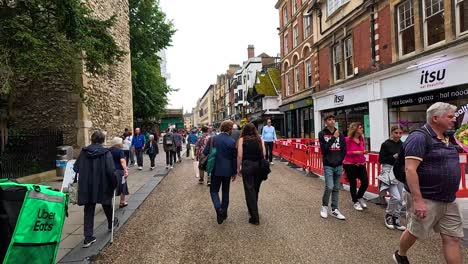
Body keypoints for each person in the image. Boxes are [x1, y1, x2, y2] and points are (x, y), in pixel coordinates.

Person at [393, 102, 463, 264]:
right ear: (435, 118)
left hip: (449, 199)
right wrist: (418, 201)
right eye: (450, 116)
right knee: (415, 231)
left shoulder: (447, 138)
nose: (454, 120)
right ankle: (401, 254)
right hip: (426, 198)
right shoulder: (419, 137)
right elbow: (410, 170)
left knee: (452, 238)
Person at [73, 131, 118, 248]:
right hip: (102, 184)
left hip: (86, 185)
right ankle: (111, 224)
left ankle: (88, 237)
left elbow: (75, 167)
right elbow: (110, 171)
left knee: (88, 209)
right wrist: (114, 183)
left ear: (92, 139)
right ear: (103, 140)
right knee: (106, 203)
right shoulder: (106, 153)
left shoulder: (83, 152)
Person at [203, 120, 237, 224]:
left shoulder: (213, 139)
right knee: (225, 192)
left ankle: (219, 209)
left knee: (214, 191)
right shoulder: (231, 141)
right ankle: (224, 213)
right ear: (230, 129)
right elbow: (234, 158)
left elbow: (205, 152)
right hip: (227, 171)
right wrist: (234, 172)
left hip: (215, 169)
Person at [318, 114, 347, 220]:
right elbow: (324, 149)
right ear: (326, 122)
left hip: (338, 164)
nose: (332, 121)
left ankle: (334, 209)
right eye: (329, 119)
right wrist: (334, 137)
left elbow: (344, 148)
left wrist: (340, 160)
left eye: (333, 119)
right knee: (329, 186)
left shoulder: (340, 133)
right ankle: (324, 206)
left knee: (336, 188)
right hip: (328, 164)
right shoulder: (322, 133)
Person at [237, 123, 266, 225]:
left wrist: (238, 168)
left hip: (247, 165)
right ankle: (253, 209)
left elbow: (240, 156)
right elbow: (264, 154)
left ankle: (254, 216)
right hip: (258, 166)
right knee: (256, 189)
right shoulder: (259, 139)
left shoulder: (242, 140)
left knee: (249, 190)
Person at [378, 125, 406, 231]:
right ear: (391, 132)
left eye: (400, 133)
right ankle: (388, 215)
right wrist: (393, 157)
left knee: (401, 199)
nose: (398, 135)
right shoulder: (386, 144)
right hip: (389, 171)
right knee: (396, 197)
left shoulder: (403, 145)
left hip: (399, 171)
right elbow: (381, 159)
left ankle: (396, 218)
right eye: (396, 133)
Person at [343, 122, 369, 211]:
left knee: (365, 181)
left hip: (361, 163)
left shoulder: (361, 139)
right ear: (355, 129)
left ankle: (359, 196)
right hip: (350, 164)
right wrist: (356, 152)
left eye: (362, 128)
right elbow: (344, 152)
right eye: (360, 128)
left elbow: (361, 150)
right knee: (353, 183)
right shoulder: (347, 139)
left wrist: (363, 152)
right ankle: (355, 201)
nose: (362, 129)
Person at [109, 137, 129, 208]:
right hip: (119, 171)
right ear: (118, 144)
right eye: (121, 142)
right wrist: (126, 170)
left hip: (110, 171)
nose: (122, 143)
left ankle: (108, 203)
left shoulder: (108, 150)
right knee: (122, 185)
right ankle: (122, 202)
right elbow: (122, 161)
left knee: (110, 187)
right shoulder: (120, 151)